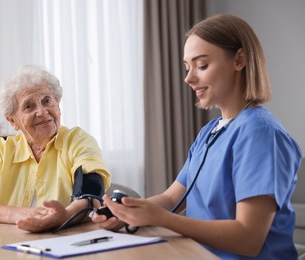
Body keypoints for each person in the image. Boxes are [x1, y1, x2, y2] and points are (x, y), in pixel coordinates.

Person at [92, 14, 303, 259]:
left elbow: (248, 238)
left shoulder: (261, 134)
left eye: (201, 65)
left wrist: (162, 219)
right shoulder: (210, 132)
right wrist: (129, 212)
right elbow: (173, 197)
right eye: (187, 67)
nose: (188, 78)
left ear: (239, 60)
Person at [0, 65, 111, 232]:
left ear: (58, 106)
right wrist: (17, 214)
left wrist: (65, 216)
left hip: (66, 240)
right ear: (12, 121)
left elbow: (91, 194)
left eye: (47, 101)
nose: (42, 111)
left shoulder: (78, 141)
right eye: (29, 106)